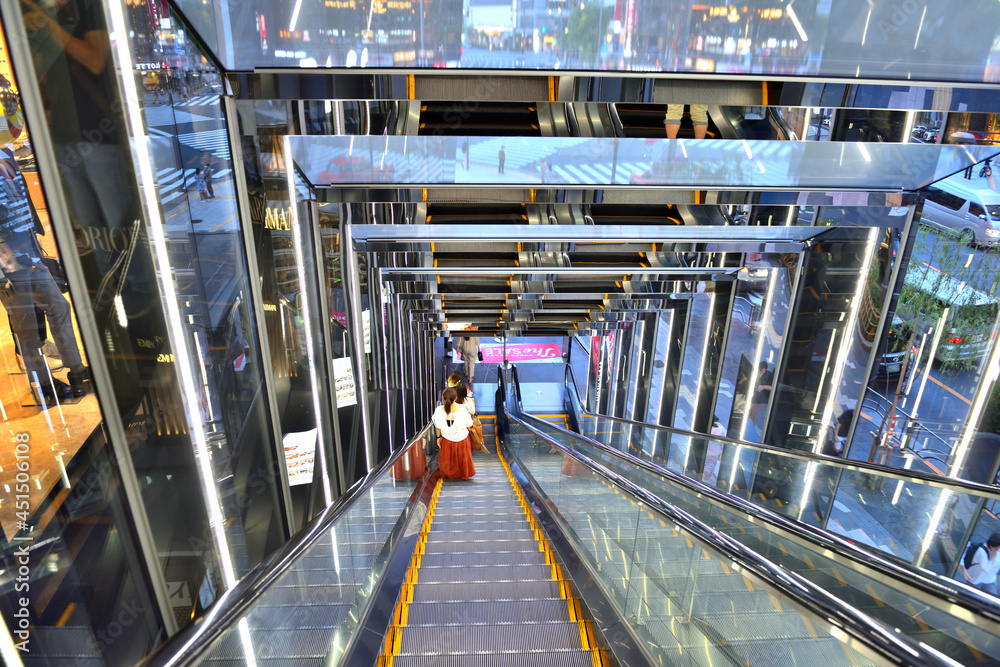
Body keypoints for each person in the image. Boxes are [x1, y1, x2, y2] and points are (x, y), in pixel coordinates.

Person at [0, 148, 89, 402]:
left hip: (29, 253)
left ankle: (76, 370)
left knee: (59, 306)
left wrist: (35, 245)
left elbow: (22, 201)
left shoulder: (6, 153)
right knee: (26, 327)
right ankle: (43, 385)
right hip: (7, 262)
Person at [432, 387, 475, 480]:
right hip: (462, 440)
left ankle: (449, 475)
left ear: (443, 398)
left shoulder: (438, 410)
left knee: (448, 460)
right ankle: (463, 474)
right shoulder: (462, 410)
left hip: (447, 439)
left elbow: (437, 426)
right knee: (462, 460)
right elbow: (470, 424)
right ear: (456, 398)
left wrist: (438, 437)